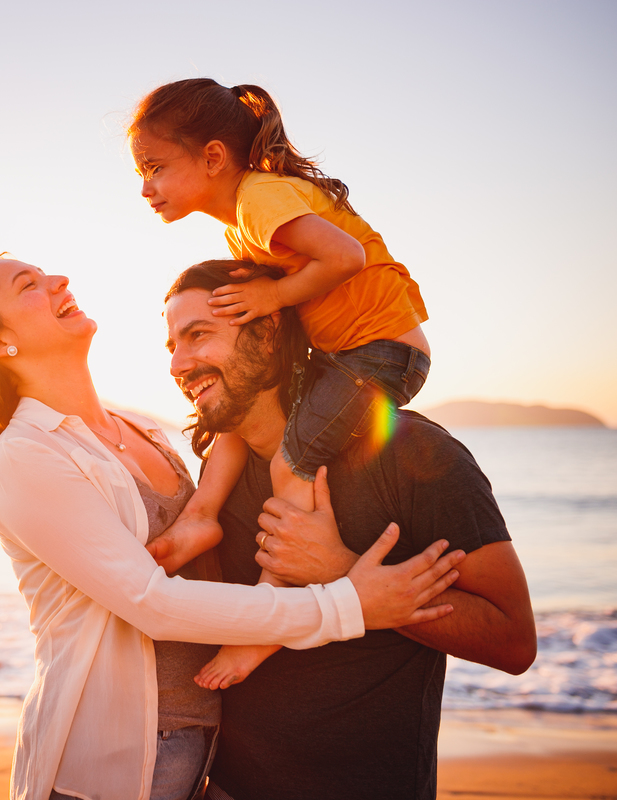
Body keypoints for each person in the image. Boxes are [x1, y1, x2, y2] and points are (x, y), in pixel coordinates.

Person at [0, 252, 465, 800]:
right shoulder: (27, 454)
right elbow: (155, 604)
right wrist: (350, 603)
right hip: (110, 759)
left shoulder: (141, 430)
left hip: (201, 746)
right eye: (28, 285)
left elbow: (241, 427)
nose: (58, 279)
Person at [163, 260, 536, 800]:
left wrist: (339, 572)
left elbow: (513, 640)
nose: (179, 363)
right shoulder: (218, 478)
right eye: (171, 345)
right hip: (223, 787)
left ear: (268, 332)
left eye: (198, 335)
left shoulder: (410, 452)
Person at [128, 77, 430, 570]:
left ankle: (276, 595)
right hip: (343, 355)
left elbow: (345, 257)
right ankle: (203, 515)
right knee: (241, 412)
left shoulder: (259, 200)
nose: (145, 188)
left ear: (212, 157)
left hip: (382, 352)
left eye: (156, 168)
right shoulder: (242, 224)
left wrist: (271, 292)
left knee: (292, 464)